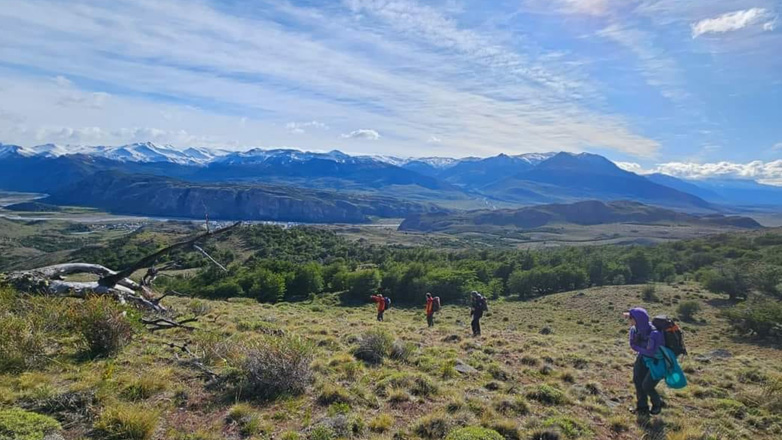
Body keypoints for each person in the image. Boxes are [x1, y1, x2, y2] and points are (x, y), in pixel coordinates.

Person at [626, 307, 665, 415]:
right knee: (638, 381)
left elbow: (651, 352)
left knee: (647, 385)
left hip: (657, 362)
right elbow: (633, 345)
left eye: (630, 318)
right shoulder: (634, 329)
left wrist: (637, 347)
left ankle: (657, 404)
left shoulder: (654, 333)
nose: (629, 320)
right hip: (642, 358)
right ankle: (642, 408)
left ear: (638, 319)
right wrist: (639, 348)